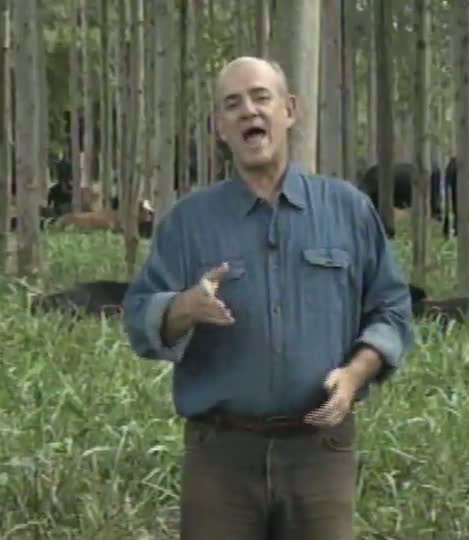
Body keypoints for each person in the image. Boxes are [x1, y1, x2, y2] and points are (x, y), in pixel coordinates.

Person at [122, 56, 414, 540]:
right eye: (232, 104)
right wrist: (181, 309)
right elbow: (138, 320)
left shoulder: (348, 210)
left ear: (289, 110)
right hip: (222, 458)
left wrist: (354, 374)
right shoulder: (188, 222)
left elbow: (392, 309)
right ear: (220, 127)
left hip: (320, 453)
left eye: (261, 97)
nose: (248, 112)